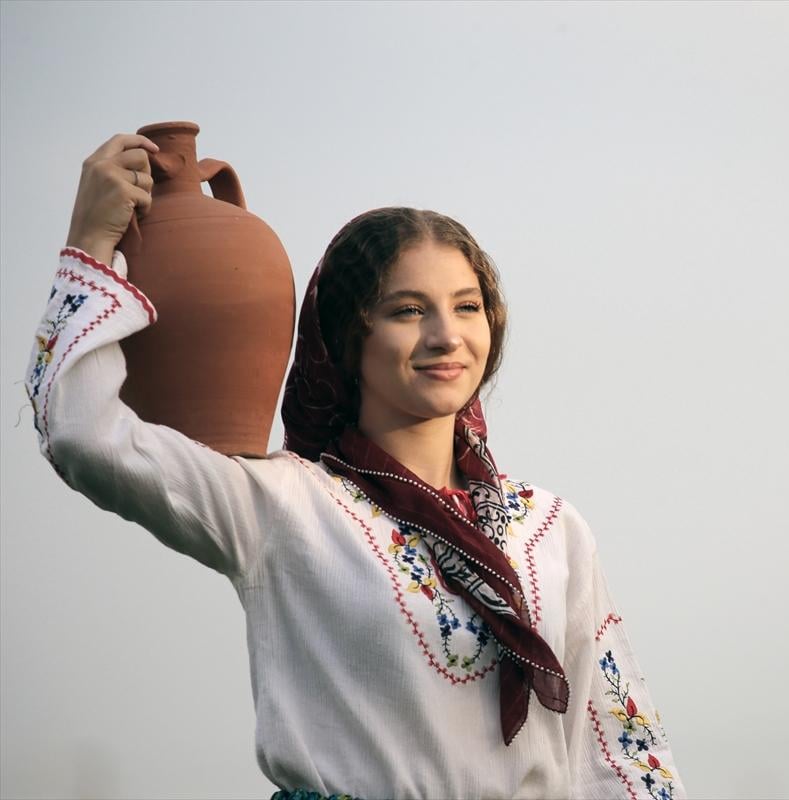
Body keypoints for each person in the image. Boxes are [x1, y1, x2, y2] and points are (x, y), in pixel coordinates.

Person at [25, 133, 686, 800]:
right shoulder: (281, 507)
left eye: (467, 306)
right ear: (346, 336)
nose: (446, 336)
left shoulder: (551, 530)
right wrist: (91, 240)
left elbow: (620, 756)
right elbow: (85, 434)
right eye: (407, 311)